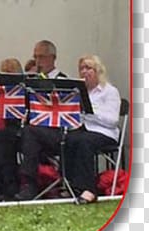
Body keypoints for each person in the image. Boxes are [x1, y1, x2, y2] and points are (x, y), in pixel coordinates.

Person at [15, 55, 120, 203]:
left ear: (98, 71)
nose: (84, 72)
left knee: (81, 141)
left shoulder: (109, 91)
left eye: (88, 68)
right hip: (74, 131)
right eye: (81, 69)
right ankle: (29, 184)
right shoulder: (76, 92)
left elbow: (113, 121)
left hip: (102, 132)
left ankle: (87, 189)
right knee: (31, 131)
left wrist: (89, 113)